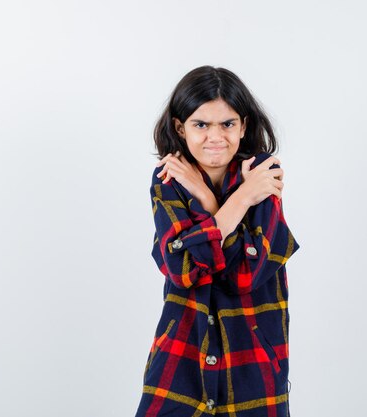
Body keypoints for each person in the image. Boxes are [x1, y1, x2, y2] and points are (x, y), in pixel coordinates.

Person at [134, 65, 301, 417]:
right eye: (201, 124)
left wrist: (209, 208)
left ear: (243, 126)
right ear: (181, 128)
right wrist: (239, 202)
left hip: (252, 357)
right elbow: (182, 269)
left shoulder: (262, 175)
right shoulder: (169, 178)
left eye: (227, 124)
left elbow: (246, 276)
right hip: (182, 355)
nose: (216, 136)